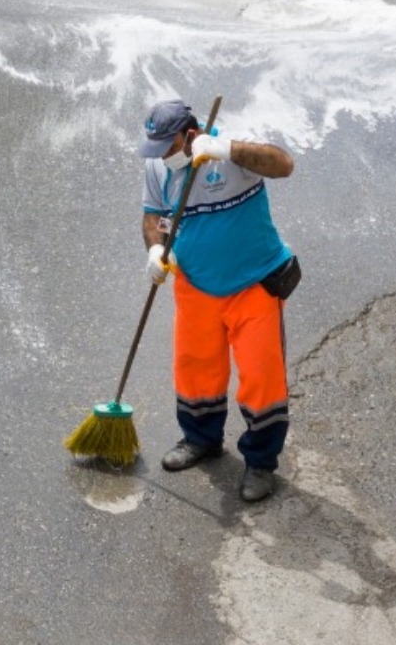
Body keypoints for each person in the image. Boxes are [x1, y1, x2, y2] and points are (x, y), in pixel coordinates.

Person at [137, 98, 300, 503]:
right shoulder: (158, 166)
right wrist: (156, 251)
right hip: (194, 285)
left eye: (168, 146)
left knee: (262, 379)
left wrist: (227, 150)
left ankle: (261, 463)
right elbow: (152, 216)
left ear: (190, 134)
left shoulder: (231, 155)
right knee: (195, 370)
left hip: (253, 283)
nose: (161, 156)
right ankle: (201, 440)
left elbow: (283, 165)